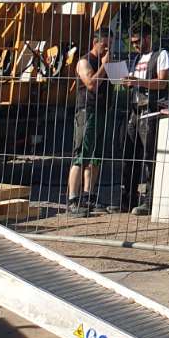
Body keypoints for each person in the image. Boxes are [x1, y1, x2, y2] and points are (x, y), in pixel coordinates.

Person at [119, 23, 169, 215]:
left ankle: (150, 201)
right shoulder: (137, 58)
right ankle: (128, 199)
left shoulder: (161, 55)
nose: (134, 45)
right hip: (135, 111)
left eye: (137, 41)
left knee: (150, 157)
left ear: (148, 37)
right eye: (132, 42)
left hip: (151, 111)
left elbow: (163, 82)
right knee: (129, 156)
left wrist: (138, 82)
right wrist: (128, 83)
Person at [67, 29, 112, 215]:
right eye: (105, 44)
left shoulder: (105, 62)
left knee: (95, 157)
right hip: (87, 111)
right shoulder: (84, 61)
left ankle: (88, 196)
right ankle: (73, 199)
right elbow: (92, 84)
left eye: (110, 45)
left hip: (103, 111)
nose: (108, 49)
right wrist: (105, 66)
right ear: (95, 42)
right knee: (81, 155)